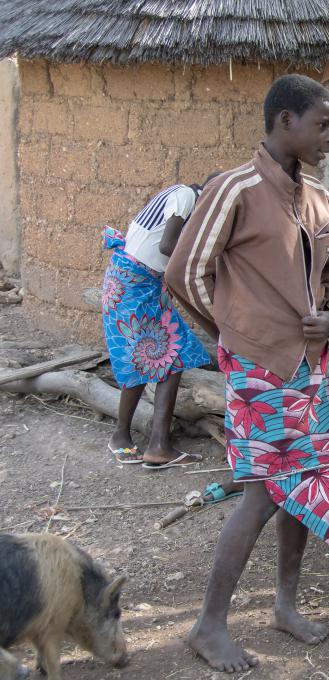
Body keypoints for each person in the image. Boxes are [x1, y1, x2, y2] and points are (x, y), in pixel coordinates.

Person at [165, 74, 329, 674]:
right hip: (261, 370)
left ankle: (284, 605)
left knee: (304, 485)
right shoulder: (233, 189)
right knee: (262, 494)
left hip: (313, 367)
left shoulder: (318, 198)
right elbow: (185, 274)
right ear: (286, 121)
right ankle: (209, 625)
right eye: (323, 124)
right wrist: (237, 333)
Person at [101, 176, 216, 468]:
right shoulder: (186, 196)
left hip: (136, 282)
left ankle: (138, 440)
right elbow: (167, 247)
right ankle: (151, 443)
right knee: (169, 355)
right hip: (134, 283)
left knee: (158, 357)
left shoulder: (184, 198)